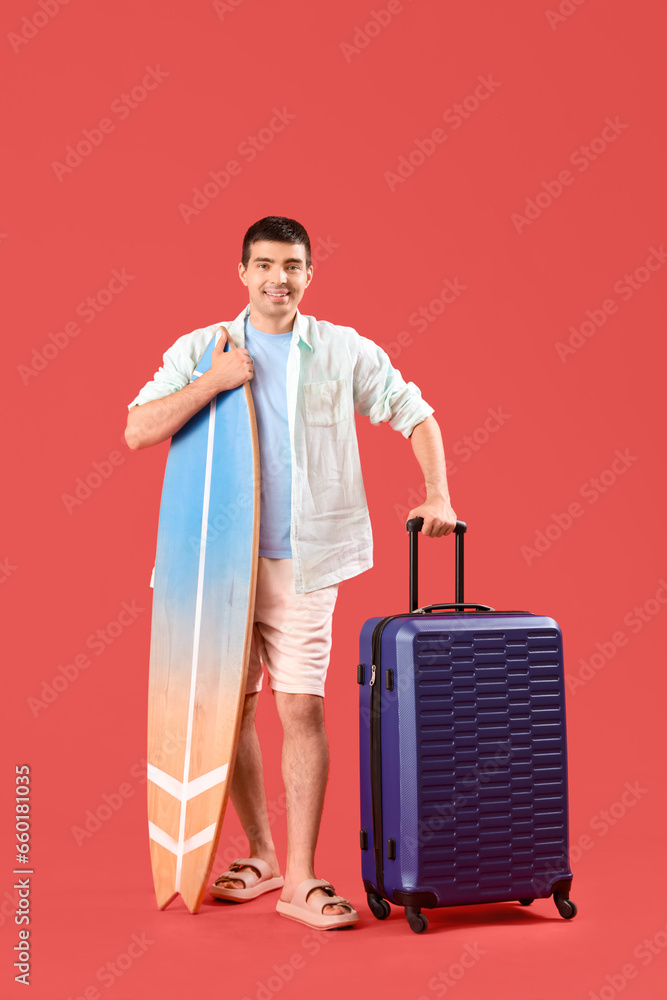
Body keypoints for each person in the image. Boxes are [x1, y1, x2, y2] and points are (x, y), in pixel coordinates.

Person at [125, 215, 457, 930]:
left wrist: (438, 493)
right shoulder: (200, 348)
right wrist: (213, 382)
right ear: (241, 272)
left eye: (294, 266)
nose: (280, 277)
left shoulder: (341, 350)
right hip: (213, 569)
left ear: (310, 274)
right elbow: (138, 428)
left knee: (300, 707)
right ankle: (264, 855)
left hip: (306, 564)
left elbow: (414, 412)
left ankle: (301, 879)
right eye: (266, 264)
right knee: (229, 712)